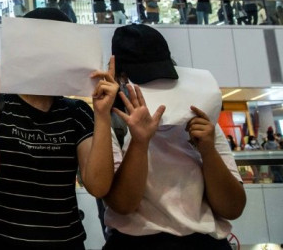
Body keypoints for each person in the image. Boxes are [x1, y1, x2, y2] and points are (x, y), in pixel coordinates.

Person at [0, 8, 119, 249]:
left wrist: (103, 115)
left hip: (64, 240)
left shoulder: (78, 112)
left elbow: (98, 186)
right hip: (1, 241)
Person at [103, 24, 246, 250]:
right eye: (146, 79)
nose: (157, 86)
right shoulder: (112, 123)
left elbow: (233, 208)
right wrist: (140, 142)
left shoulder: (200, 119)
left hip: (205, 241)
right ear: (120, 77)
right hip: (135, 242)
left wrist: (207, 150)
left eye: (162, 76)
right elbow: (122, 204)